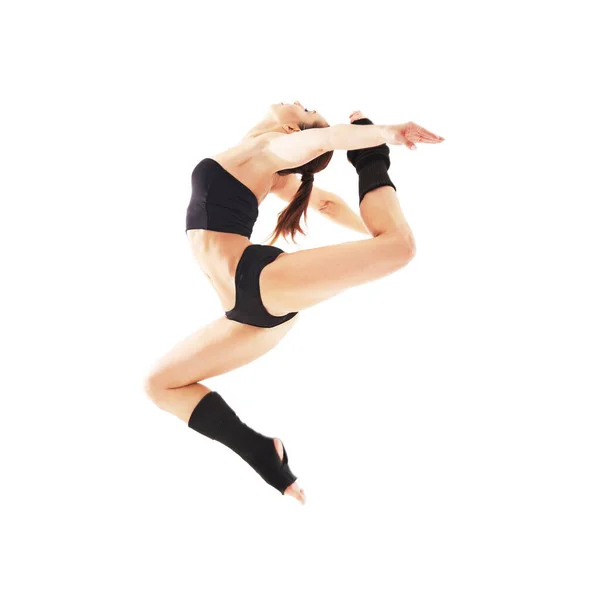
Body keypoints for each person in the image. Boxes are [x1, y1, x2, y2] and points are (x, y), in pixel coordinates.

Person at [143, 101, 444, 504]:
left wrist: (383, 135)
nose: (302, 103)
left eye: (305, 109)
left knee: (400, 247)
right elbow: (327, 203)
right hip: (247, 313)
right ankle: (265, 455)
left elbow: (327, 138)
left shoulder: (270, 146)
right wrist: (370, 242)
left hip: (259, 282)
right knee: (160, 385)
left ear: (291, 131)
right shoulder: (269, 168)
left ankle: (372, 162)